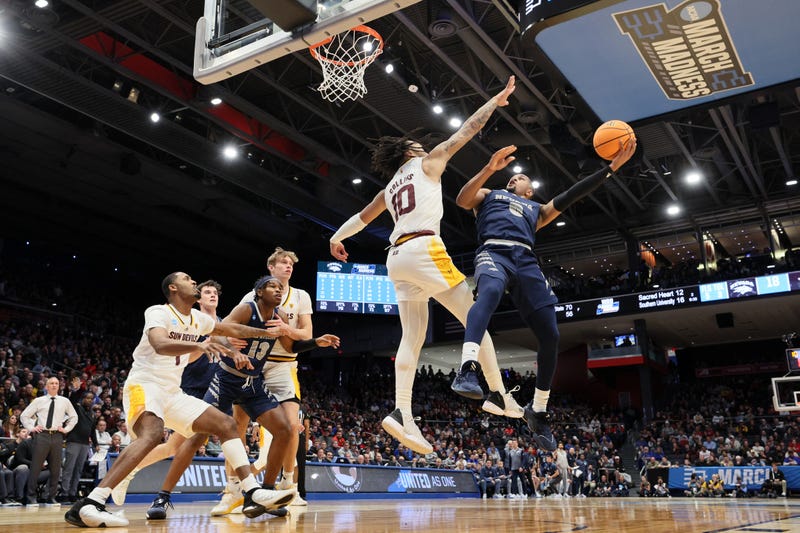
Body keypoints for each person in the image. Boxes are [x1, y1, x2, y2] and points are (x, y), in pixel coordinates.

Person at [329, 76, 522, 455]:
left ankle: (402, 412)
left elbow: (362, 218)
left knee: (412, 338)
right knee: (475, 318)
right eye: (419, 144)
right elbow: (466, 130)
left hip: (396, 259)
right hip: (423, 248)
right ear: (410, 151)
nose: (425, 146)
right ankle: (498, 394)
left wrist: (337, 236)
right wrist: (494, 101)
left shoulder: (390, 189)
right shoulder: (427, 163)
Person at [64, 272, 297, 528]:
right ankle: (90, 503)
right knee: (152, 435)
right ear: (173, 288)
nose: (194, 282)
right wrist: (198, 346)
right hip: (145, 384)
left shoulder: (197, 318)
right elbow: (160, 344)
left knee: (226, 424)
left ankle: (252, 492)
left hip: (174, 392)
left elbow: (233, 328)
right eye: (188, 279)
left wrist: (268, 333)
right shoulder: (158, 312)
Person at [453, 140, 637, 450]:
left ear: (529, 191)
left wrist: (610, 169)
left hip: (525, 260)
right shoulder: (489, 195)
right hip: (493, 251)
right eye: (511, 176)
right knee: (490, 293)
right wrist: (489, 169)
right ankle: (468, 370)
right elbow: (462, 200)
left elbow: (572, 194)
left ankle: (538, 409)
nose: (514, 178)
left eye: (521, 178)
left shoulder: (537, 210)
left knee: (550, 334)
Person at [140, 275, 338, 521]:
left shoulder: (277, 319)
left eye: (280, 288)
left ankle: (264, 495)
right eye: (272, 287)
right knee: (196, 438)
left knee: (286, 430)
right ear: (259, 292)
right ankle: (163, 496)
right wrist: (234, 352)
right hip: (225, 380)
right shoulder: (247, 309)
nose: (278, 291)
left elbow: (290, 348)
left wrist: (315, 343)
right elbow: (221, 333)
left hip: (252, 383)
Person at [110, 279, 223, 507]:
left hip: (214, 386)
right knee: (173, 446)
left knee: (225, 431)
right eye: (207, 292)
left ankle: (239, 491)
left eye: (215, 293)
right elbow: (184, 360)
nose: (212, 295)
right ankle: (137, 478)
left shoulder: (221, 324)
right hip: (188, 384)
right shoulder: (192, 321)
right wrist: (202, 347)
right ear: (198, 298)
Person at [224, 247, 314, 513]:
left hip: (284, 365)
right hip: (255, 362)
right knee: (237, 422)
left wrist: (287, 329)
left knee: (290, 425)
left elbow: (307, 333)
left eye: (291, 264)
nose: (288, 267)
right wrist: (230, 340)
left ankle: (286, 486)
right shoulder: (253, 295)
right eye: (283, 263)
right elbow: (230, 325)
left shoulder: (300, 296)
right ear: (270, 268)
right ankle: (233, 489)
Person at [20, 376, 78, 506]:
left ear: (59, 386)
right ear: (46, 386)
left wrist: (66, 429)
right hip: (42, 436)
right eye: (51, 383)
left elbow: (74, 417)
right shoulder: (39, 400)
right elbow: (24, 416)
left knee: (56, 469)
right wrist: (31, 428)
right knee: (36, 467)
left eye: (56, 383)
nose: (54, 385)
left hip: (57, 436)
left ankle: (51, 497)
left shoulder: (65, 401)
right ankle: (31, 497)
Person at [61, 384, 96, 504]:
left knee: (78, 470)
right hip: (74, 441)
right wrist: (79, 389)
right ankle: (64, 494)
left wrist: (96, 444)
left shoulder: (92, 413)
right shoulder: (77, 408)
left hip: (85, 444)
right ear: (83, 399)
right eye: (87, 398)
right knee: (69, 469)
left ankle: (72, 493)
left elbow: (92, 430)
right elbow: (72, 399)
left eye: (91, 399)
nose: (89, 400)